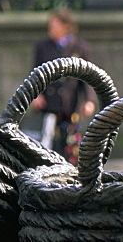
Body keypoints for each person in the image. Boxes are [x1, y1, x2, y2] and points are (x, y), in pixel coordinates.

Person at [31, 9, 96, 162]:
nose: (50, 28)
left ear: (66, 26)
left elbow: (87, 78)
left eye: (54, 25)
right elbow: (34, 74)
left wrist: (89, 100)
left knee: (72, 147)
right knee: (47, 145)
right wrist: (36, 95)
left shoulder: (80, 47)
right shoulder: (42, 46)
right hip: (49, 106)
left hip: (69, 106)